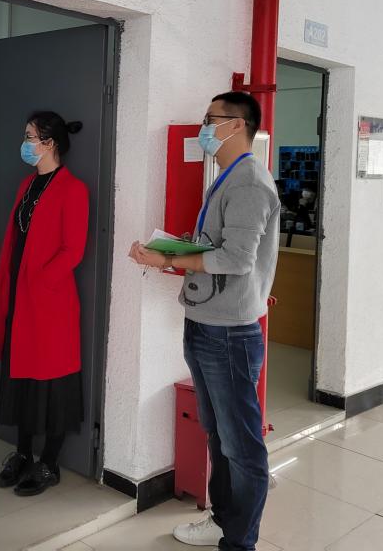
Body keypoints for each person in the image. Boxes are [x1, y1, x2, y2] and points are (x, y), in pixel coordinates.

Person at [129, 92, 280, 551]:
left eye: (211, 119)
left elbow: (236, 259)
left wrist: (167, 259)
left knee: (241, 445)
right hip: (206, 321)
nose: (204, 128)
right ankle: (224, 519)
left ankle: (239, 542)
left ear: (237, 125)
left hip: (229, 333)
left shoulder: (249, 182)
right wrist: (174, 251)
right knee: (219, 434)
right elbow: (219, 247)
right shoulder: (226, 176)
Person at [0, 111, 89, 497]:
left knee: (54, 379)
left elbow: (73, 250)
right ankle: (24, 453)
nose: (25, 143)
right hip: (19, 295)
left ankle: (49, 463)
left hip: (49, 301)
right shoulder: (27, 185)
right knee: (22, 374)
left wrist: (40, 281)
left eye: (30, 137)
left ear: (49, 143)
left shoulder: (73, 189)